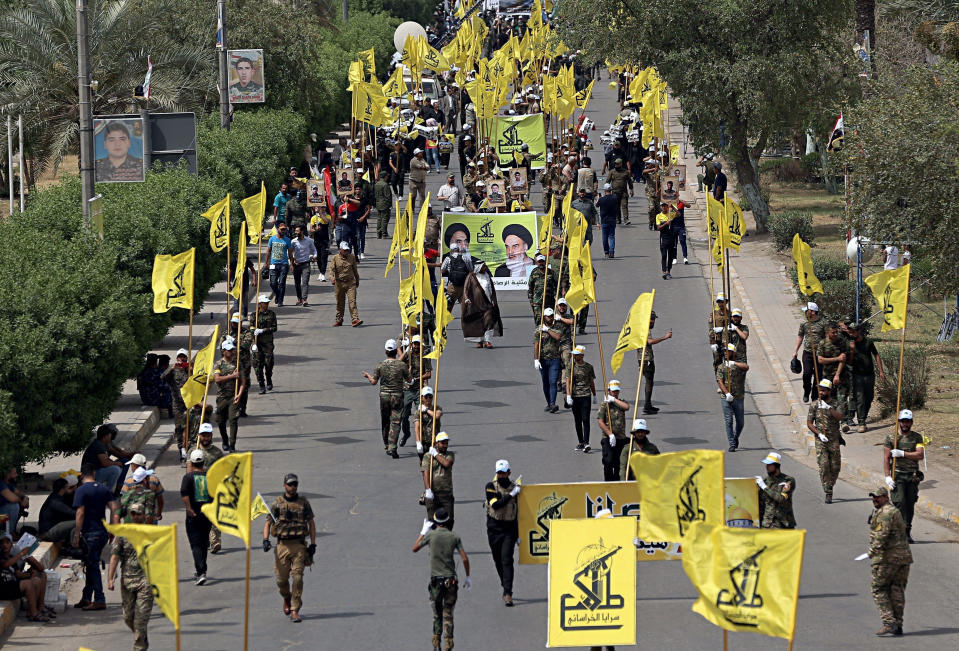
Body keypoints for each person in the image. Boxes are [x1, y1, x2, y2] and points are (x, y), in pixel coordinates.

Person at [412, 508, 471, 651]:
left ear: (435, 521)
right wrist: (468, 576)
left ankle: (436, 642)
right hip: (450, 581)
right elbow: (464, 558)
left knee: (436, 612)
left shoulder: (431, 536)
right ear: (447, 520)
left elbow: (415, 548)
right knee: (448, 612)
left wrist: (423, 531)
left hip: (435, 582)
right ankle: (448, 643)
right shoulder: (454, 537)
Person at [262, 473, 315, 623]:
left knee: (297, 577)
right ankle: (287, 597)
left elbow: (311, 524)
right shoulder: (277, 504)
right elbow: (268, 523)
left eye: (295, 484)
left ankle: (295, 609)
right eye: (290, 484)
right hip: (282, 546)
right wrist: (265, 540)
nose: (293, 487)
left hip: (299, 545)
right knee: (281, 580)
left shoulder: (304, 503)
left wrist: (313, 543)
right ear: (284, 485)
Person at [866, 484, 912, 637]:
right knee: (897, 589)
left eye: (878, 497)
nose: (875, 499)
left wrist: (871, 552)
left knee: (878, 588)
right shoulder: (893, 511)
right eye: (873, 497)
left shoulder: (885, 513)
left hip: (888, 558)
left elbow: (881, 536)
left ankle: (888, 622)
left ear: (886, 497)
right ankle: (898, 625)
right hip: (903, 558)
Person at [107, 501, 154, 651]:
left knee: (140, 619)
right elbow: (114, 557)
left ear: (144, 516)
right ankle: (141, 637)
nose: (135, 516)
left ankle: (139, 646)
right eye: (132, 514)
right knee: (128, 617)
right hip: (127, 581)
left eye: (138, 513)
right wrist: (110, 578)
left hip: (146, 582)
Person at [72, 464, 119, 610]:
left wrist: (76, 534)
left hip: (90, 533)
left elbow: (80, 513)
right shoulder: (103, 488)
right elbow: (114, 508)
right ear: (94, 473)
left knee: (93, 566)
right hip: (102, 532)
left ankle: (99, 598)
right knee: (91, 563)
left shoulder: (81, 490)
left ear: (81, 476)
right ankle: (86, 597)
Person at [363, 339, 411, 458]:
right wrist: (408, 372)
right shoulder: (402, 365)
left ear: (385, 351)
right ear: (395, 351)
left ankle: (386, 445)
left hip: (384, 397)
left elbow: (374, 382)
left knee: (385, 422)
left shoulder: (380, 365)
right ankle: (392, 446)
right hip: (397, 396)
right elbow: (409, 380)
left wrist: (368, 376)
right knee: (395, 422)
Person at [883, 409, 924, 543]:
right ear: (899, 422)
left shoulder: (917, 437)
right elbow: (886, 458)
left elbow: (919, 455)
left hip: (912, 477)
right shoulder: (891, 438)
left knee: (910, 504)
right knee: (899, 502)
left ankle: (907, 531)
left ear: (911, 422)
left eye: (908, 421)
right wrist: (887, 476)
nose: (905, 424)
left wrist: (902, 454)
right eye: (903, 421)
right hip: (898, 475)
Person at [485, 460, 520, 607]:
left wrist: (519, 534)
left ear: (509, 472)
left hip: (509, 529)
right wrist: (511, 495)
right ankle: (504, 582)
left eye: (503, 472)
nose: (501, 475)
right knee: (497, 559)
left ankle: (508, 593)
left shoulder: (515, 488)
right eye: (499, 473)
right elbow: (495, 504)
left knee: (507, 559)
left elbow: (520, 512)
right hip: (494, 528)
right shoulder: (491, 487)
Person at [0, 532, 54, 622]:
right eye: (2, 543)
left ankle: (35, 609)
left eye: (7, 543)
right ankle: (34, 614)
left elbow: (18, 574)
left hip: (11, 586)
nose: (5, 545)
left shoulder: (11, 556)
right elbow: (5, 565)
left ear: (11, 545)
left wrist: (30, 574)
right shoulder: (2, 557)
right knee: (27, 584)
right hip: (3, 587)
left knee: (36, 580)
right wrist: (21, 554)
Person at [807, 378, 845, 503]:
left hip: (834, 440)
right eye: (820, 390)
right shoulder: (814, 404)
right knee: (824, 465)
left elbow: (840, 417)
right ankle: (828, 491)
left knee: (835, 467)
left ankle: (830, 484)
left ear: (829, 391)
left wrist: (829, 408)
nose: (821, 392)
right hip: (821, 440)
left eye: (823, 390)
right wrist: (818, 434)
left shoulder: (836, 404)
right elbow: (809, 423)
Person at [181, 449, 212, 585]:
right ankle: (202, 569)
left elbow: (184, 493)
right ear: (203, 462)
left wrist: (189, 509)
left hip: (193, 515)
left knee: (195, 544)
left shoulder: (187, 477)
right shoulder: (209, 476)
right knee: (204, 542)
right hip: (207, 515)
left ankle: (200, 572)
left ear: (192, 463)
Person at [848, 322, 885, 432]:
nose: (851, 333)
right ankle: (861, 422)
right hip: (857, 375)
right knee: (860, 398)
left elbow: (876, 355)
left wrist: (881, 371)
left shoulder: (868, 342)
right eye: (850, 331)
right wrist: (851, 350)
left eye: (853, 331)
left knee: (869, 398)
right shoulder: (850, 343)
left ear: (858, 331)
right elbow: (849, 362)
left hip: (869, 374)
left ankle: (863, 416)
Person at [462, 260, 503, 349]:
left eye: (485, 266)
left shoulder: (487, 276)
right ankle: (479, 341)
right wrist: (466, 299)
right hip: (475, 305)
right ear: (479, 267)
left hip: (487, 303)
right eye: (483, 267)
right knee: (478, 323)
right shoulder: (471, 276)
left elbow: (491, 289)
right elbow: (465, 289)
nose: (485, 268)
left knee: (489, 321)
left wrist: (493, 300)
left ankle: (488, 341)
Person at [81, 424, 132, 493]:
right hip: (92, 474)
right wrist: (116, 463)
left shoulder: (103, 443)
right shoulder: (98, 445)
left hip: (98, 470)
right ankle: (107, 493)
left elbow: (118, 452)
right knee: (115, 469)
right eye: (109, 435)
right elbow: (105, 463)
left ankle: (118, 488)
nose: (111, 436)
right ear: (105, 436)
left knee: (124, 462)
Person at [717, 343, 749, 451]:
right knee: (729, 420)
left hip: (738, 397)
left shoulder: (738, 364)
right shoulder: (721, 367)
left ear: (733, 352)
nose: (725, 353)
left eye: (728, 351)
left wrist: (733, 363)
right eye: (724, 351)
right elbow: (720, 381)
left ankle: (735, 437)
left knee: (740, 422)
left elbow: (746, 367)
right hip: (726, 397)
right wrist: (726, 393)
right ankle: (732, 444)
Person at [791, 302, 825, 403]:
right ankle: (807, 390)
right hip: (807, 353)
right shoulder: (804, 324)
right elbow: (800, 337)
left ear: (813, 312)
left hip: (820, 354)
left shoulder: (823, 323)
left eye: (807, 310)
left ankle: (814, 395)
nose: (805, 312)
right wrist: (795, 351)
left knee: (818, 376)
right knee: (807, 373)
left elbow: (827, 337)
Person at [213, 340, 243, 452]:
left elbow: (243, 381)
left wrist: (239, 395)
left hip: (233, 397)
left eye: (232, 349)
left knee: (233, 420)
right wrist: (232, 376)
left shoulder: (238, 364)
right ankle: (225, 440)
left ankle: (232, 445)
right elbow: (217, 379)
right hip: (222, 397)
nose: (232, 352)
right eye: (229, 350)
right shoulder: (219, 364)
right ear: (223, 351)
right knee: (220, 421)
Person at [639, 311, 671, 415]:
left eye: (654, 319)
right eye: (652, 319)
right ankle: (647, 406)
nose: (653, 322)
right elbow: (650, 342)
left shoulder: (643, 328)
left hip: (643, 359)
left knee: (650, 382)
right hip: (646, 359)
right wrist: (665, 337)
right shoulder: (644, 330)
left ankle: (648, 404)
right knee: (649, 382)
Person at [566, 345, 597, 452]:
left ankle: (587, 443)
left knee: (585, 419)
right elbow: (568, 381)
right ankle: (581, 442)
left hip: (585, 396)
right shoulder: (571, 367)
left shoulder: (589, 367)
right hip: (575, 396)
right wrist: (568, 395)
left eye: (577, 355)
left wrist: (594, 395)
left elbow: (591, 381)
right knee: (577, 420)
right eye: (574, 355)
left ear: (582, 355)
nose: (575, 356)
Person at [422, 432, 455, 529]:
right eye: (443, 443)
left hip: (446, 494)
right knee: (433, 522)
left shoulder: (450, 455)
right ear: (436, 443)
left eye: (446, 443)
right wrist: (428, 490)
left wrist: (435, 454)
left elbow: (446, 464)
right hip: (433, 493)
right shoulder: (428, 456)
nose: (445, 445)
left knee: (449, 521)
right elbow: (426, 473)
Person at [596, 378, 629, 474]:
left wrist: (614, 400)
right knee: (608, 462)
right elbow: (600, 422)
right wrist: (610, 434)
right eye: (613, 391)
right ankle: (608, 484)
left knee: (619, 464)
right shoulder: (604, 405)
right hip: (608, 438)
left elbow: (626, 407)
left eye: (616, 391)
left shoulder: (620, 402)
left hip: (621, 438)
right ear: (608, 391)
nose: (615, 392)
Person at [162, 348, 191, 461]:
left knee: (189, 427)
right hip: (177, 404)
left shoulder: (190, 369)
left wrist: (191, 370)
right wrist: (172, 368)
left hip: (189, 402)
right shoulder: (173, 370)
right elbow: (163, 377)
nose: (182, 359)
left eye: (184, 357)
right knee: (179, 427)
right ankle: (181, 451)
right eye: (180, 357)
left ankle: (189, 448)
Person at [118, 456, 164, 523]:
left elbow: (122, 502)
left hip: (133, 519)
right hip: (151, 519)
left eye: (131, 465)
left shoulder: (128, 481)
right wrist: (159, 513)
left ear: (134, 466)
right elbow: (160, 500)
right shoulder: (154, 479)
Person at [756, 451, 796, 528]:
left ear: (776, 466)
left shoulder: (788, 481)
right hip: (767, 523)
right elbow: (760, 503)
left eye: (769, 464)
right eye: (766, 464)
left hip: (783, 523)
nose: (767, 467)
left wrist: (764, 487)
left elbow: (781, 498)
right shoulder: (765, 481)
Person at [534, 308, 563, 413]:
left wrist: (547, 330)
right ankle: (548, 403)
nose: (550, 318)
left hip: (554, 359)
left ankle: (552, 403)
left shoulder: (557, 327)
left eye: (551, 316)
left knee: (553, 382)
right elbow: (536, 345)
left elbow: (558, 337)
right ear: (544, 317)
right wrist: (536, 359)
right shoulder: (538, 330)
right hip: (543, 360)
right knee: (545, 383)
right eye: (548, 316)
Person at [328, 241, 362, 327]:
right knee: (340, 302)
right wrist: (332, 278)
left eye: (347, 250)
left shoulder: (352, 257)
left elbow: (355, 270)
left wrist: (357, 280)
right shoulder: (335, 258)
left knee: (352, 301)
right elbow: (331, 270)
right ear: (340, 250)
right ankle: (339, 319)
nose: (346, 252)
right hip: (339, 284)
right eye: (345, 250)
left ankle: (355, 319)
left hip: (350, 283)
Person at [38, 475, 77, 543]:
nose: (71, 490)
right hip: (48, 533)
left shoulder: (56, 496)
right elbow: (72, 513)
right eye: (68, 488)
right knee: (79, 521)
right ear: (62, 489)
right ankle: (73, 545)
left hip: (51, 528)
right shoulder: (55, 502)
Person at [253, 294, 279, 393]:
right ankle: (261, 385)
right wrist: (254, 331)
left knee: (268, 365)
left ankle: (269, 379)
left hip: (268, 344)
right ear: (260, 304)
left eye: (267, 303)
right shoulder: (254, 315)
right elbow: (251, 327)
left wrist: (263, 330)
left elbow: (274, 328)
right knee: (257, 366)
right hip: (257, 344)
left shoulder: (271, 314)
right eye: (264, 303)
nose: (267, 304)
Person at [266, 222, 295, 307]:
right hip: (273, 264)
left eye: (284, 229)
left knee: (282, 283)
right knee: (273, 283)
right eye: (282, 229)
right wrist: (266, 263)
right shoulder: (272, 239)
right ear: (277, 229)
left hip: (284, 264)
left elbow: (290, 253)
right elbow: (268, 251)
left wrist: (291, 264)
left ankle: (280, 301)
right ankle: (278, 295)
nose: (283, 231)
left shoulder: (287, 240)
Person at [290, 224, 318, 307]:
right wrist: (292, 261)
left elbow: (314, 251)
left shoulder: (309, 241)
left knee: (305, 282)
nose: (296, 233)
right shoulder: (293, 241)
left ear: (302, 232)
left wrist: (314, 256)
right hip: (296, 265)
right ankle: (299, 299)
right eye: (295, 231)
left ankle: (304, 299)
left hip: (306, 264)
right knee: (297, 283)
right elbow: (290, 252)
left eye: (297, 231)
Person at [527, 254, 557, 324]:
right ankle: (539, 333)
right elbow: (530, 287)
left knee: (549, 319)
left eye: (542, 261)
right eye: (539, 262)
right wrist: (531, 300)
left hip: (549, 300)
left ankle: (549, 333)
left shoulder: (551, 272)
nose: (541, 263)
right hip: (537, 301)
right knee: (538, 319)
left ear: (545, 262)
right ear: (537, 263)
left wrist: (557, 297)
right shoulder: (534, 272)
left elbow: (556, 286)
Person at [415, 387, 443, 458]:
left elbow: (437, 416)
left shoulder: (437, 408)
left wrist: (426, 410)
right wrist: (418, 442)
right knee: (424, 466)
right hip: (423, 442)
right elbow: (417, 428)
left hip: (435, 441)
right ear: (422, 398)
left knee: (434, 465)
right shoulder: (418, 412)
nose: (428, 399)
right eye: (426, 396)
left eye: (430, 396)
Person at [0, 468, 29, 534]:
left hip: (2, 513)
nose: (17, 475)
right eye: (14, 473)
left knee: (18, 505)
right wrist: (22, 501)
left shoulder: (8, 484)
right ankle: (11, 533)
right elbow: (13, 499)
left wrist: (25, 498)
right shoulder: (1, 484)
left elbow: (19, 493)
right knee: (14, 506)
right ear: (7, 475)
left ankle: (10, 530)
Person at [607, 157, 633, 225]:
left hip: (623, 192)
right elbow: (607, 182)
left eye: (617, 164)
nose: (616, 165)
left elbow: (629, 181)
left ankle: (626, 219)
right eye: (615, 164)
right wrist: (607, 191)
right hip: (615, 192)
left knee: (624, 205)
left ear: (621, 164)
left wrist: (631, 190)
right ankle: (618, 219)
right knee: (616, 206)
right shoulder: (612, 172)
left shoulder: (625, 172)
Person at [655, 202, 677, 279]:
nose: (664, 207)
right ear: (661, 207)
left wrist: (673, 207)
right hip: (663, 238)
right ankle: (664, 271)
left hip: (671, 237)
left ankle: (668, 271)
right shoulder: (658, 216)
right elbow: (658, 228)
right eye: (663, 206)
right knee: (664, 255)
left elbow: (678, 214)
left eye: (665, 206)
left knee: (670, 256)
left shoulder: (670, 214)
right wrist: (666, 223)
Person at [597, 183, 619, 258]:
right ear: (611, 190)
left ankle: (606, 252)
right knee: (611, 236)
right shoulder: (614, 198)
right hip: (612, 220)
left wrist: (599, 199)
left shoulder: (602, 199)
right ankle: (612, 252)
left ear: (604, 190)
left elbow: (597, 205)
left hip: (604, 220)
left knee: (604, 237)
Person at [309, 209, 331, 282]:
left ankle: (323, 273)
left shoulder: (327, 216)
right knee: (318, 257)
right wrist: (315, 230)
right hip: (317, 240)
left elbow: (326, 221)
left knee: (324, 257)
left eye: (322, 207)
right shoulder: (313, 218)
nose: (319, 208)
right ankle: (321, 272)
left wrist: (321, 213)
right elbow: (311, 229)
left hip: (325, 240)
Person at [374, 170, 393, 239]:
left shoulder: (377, 184)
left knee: (379, 219)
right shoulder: (385, 184)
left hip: (378, 203)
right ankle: (384, 233)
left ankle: (379, 233)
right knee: (385, 219)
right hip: (384, 204)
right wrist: (390, 204)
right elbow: (387, 196)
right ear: (385, 176)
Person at [670, 200, 689, 264]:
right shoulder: (669, 204)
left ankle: (685, 258)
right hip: (673, 227)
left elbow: (689, 206)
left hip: (681, 227)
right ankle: (674, 258)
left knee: (683, 242)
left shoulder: (681, 203)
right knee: (674, 244)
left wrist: (681, 201)